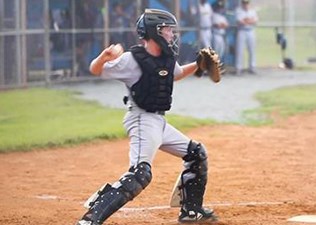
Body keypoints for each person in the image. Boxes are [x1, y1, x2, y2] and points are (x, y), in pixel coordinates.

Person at [76, 9, 217, 225]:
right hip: (141, 120)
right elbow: (96, 70)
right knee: (140, 174)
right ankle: (90, 219)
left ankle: (191, 211)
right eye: (168, 30)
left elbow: (176, 74)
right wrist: (104, 57)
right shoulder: (131, 59)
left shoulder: (166, 58)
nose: (172, 35)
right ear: (156, 31)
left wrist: (199, 65)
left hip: (159, 122)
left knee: (196, 153)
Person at [235, 0, 258, 75]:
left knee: (252, 49)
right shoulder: (239, 10)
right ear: (242, 3)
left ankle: (252, 67)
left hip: (250, 30)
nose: (245, 4)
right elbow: (240, 21)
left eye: (247, 3)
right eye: (244, 3)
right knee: (240, 50)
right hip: (242, 31)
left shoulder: (252, 11)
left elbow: (255, 21)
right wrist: (248, 20)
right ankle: (239, 68)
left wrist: (247, 20)